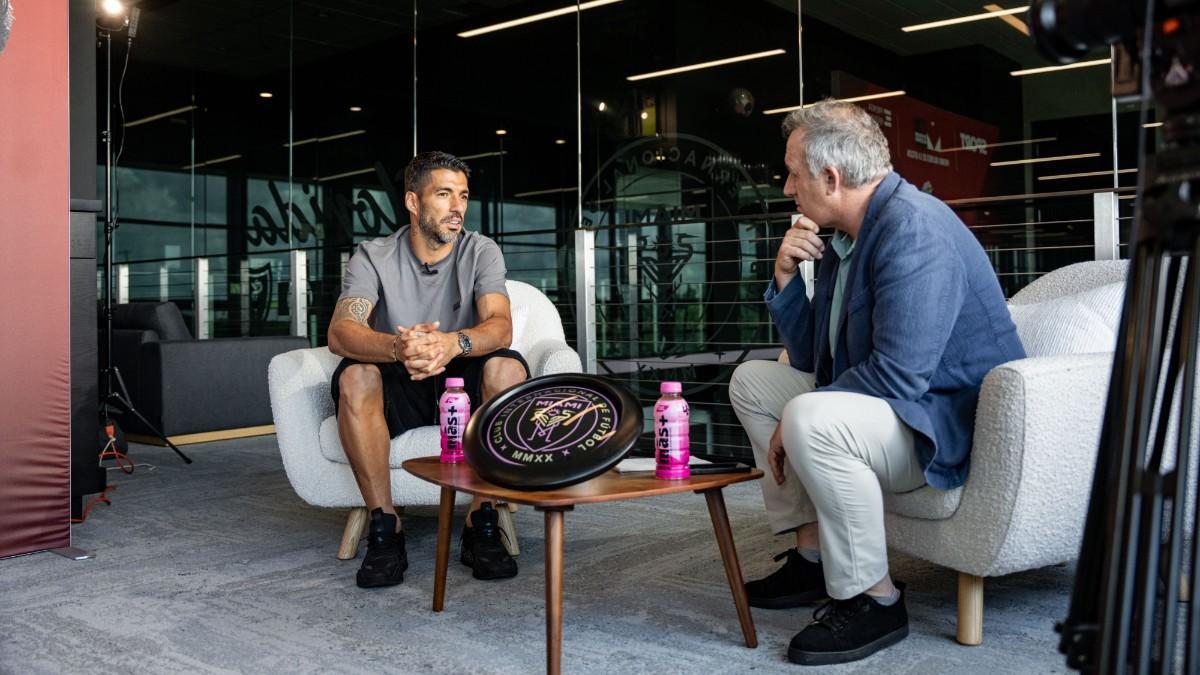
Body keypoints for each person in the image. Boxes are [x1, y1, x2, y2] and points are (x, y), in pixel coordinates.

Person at [729, 101, 1024, 665]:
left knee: (807, 415)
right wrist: (787, 279)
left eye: (793, 172)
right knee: (753, 383)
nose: (788, 186)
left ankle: (875, 597)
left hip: (937, 423)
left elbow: (899, 374)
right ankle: (813, 558)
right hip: (891, 409)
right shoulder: (848, 234)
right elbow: (822, 357)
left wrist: (800, 419)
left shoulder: (913, 229)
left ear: (831, 178)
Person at [328, 150, 529, 589]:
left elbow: (500, 327)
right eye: (444, 194)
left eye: (463, 196)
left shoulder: (481, 251)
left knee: (507, 370)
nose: (457, 207)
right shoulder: (372, 255)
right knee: (355, 374)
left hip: (461, 378)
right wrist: (399, 347)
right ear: (414, 202)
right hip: (399, 379)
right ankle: (386, 528)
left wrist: (449, 343)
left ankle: (482, 521)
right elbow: (342, 332)